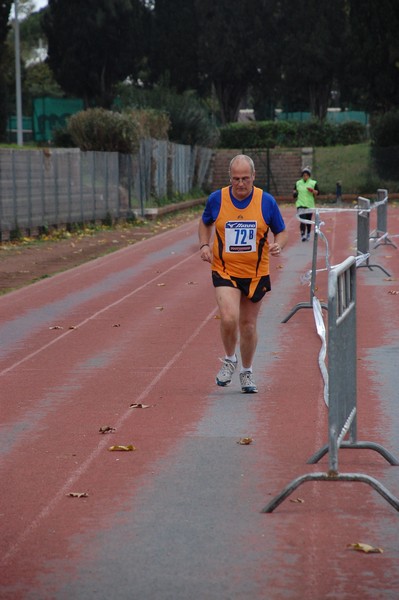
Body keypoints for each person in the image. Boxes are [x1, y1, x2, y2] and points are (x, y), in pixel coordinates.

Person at [198, 154, 288, 394]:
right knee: (228, 317)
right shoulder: (217, 199)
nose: (240, 184)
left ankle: (246, 371)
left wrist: (279, 243)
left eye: (245, 178)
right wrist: (204, 245)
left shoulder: (266, 201)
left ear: (254, 177)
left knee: (248, 325)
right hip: (225, 269)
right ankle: (230, 359)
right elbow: (205, 222)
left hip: (256, 273)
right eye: (236, 179)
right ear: (230, 178)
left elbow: (281, 231)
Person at [293, 166, 319, 241]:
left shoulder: (313, 183)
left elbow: (318, 192)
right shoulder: (298, 183)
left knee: (308, 220)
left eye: (307, 175)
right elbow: (294, 191)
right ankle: (302, 234)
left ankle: (308, 233)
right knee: (302, 220)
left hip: (309, 204)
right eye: (304, 175)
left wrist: (312, 191)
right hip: (300, 204)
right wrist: (294, 193)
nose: (305, 177)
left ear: (309, 176)